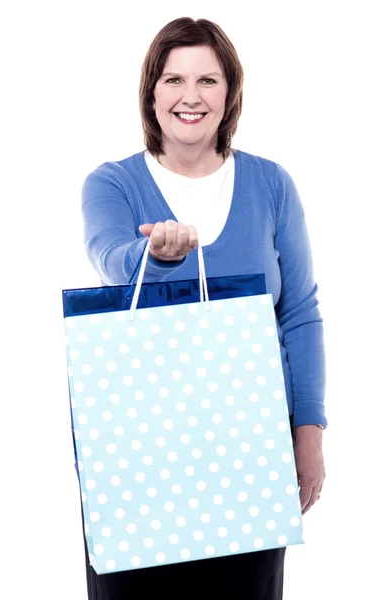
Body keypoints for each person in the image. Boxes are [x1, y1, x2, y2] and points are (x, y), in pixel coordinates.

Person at [80, 16, 327, 600]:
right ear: (151, 92)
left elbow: (300, 313)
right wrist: (152, 255)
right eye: (172, 80)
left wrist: (309, 432)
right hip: (135, 462)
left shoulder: (271, 185)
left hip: (252, 456)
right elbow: (110, 257)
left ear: (230, 92)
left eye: (208, 80)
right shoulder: (111, 183)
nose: (190, 97)